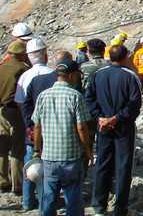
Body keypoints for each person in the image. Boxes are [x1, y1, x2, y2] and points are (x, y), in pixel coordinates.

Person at [32, 55, 92, 216]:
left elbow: (36, 127)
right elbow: (81, 127)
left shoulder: (43, 96)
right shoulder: (75, 96)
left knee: (49, 195)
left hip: (49, 156)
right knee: (73, 196)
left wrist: (37, 150)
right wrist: (87, 149)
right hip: (71, 157)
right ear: (72, 75)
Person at [85, 44, 142, 216]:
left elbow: (89, 98)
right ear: (125, 57)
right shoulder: (131, 77)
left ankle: (99, 205)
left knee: (103, 163)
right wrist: (116, 118)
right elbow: (135, 105)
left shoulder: (97, 75)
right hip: (123, 128)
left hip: (103, 127)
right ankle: (120, 207)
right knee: (123, 166)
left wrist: (100, 117)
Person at [15, 37, 53, 210]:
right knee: (48, 167)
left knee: (30, 164)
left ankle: (27, 201)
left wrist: (29, 125)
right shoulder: (53, 75)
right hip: (52, 129)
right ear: (45, 54)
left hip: (31, 129)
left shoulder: (25, 76)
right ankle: (46, 201)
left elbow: (20, 102)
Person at [0, 40, 30, 194]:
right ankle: (17, 185)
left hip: (1, 111)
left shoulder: (1, 67)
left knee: (2, 147)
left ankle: (2, 181)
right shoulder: (22, 69)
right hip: (15, 110)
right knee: (17, 148)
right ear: (22, 54)